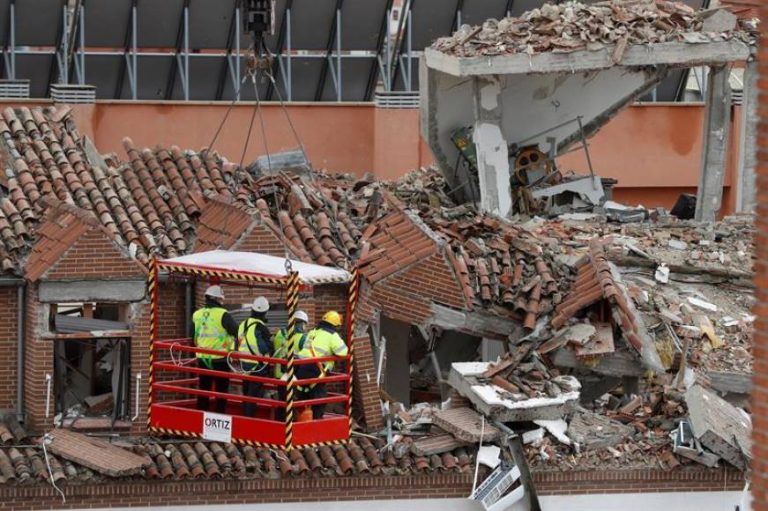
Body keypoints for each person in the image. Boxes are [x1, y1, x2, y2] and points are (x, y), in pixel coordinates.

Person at [295, 310, 349, 420]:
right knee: (319, 398)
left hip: (301, 367)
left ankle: (300, 421)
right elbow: (343, 352)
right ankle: (315, 423)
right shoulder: (332, 335)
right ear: (335, 325)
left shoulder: (312, 332)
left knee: (303, 395)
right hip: (316, 369)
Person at [192, 285, 238, 413]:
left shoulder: (197, 314)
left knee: (203, 389)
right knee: (221, 392)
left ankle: (201, 415)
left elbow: (193, 335)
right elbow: (236, 331)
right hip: (220, 358)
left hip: (203, 358)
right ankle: (219, 416)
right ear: (218, 299)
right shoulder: (223, 314)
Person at [237, 296, 272, 418]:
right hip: (257, 367)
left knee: (246, 394)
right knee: (253, 396)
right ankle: (248, 420)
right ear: (265, 312)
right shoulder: (260, 327)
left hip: (244, 365)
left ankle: (245, 418)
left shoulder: (243, 324)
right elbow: (264, 348)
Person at [272, 310, 309, 420]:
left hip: (279, 374)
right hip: (294, 376)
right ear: (302, 324)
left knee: (282, 401)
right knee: (292, 403)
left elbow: (275, 349)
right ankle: (290, 425)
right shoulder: (302, 338)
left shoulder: (280, 333)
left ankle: (279, 423)